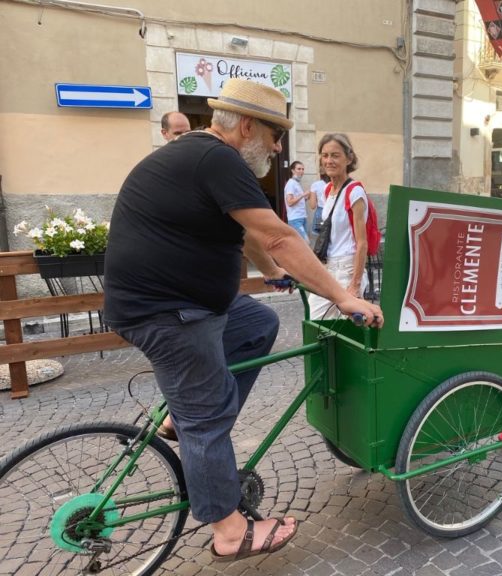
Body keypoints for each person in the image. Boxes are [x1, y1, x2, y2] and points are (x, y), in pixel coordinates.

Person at [104, 79, 383, 562]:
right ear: (249, 125)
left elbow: (250, 232)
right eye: (275, 136)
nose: (278, 148)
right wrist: (343, 296)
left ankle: (180, 419)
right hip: (168, 311)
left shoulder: (203, 156)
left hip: (179, 300)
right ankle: (230, 530)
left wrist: (274, 273)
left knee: (256, 325)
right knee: (207, 416)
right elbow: (277, 235)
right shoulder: (217, 158)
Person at [308, 133, 371, 320]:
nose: (329, 161)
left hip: (347, 269)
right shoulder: (327, 190)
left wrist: (355, 284)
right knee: (317, 320)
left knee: (346, 331)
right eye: (325, 155)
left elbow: (362, 243)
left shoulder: (355, 192)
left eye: (335, 155)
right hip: (329, 269)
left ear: (349, 158)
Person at [284, 161, 311, 242]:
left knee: (302, 244)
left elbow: (297, 201)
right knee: (305, 243)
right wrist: (303, 195)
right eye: (299, 169)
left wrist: (307, 197)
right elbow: (289, 202)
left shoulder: (296, 183)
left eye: (303, 169)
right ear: (292, 170)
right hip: (295, 219)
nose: (301, 171)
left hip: (302, 217)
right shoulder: (291, 183)